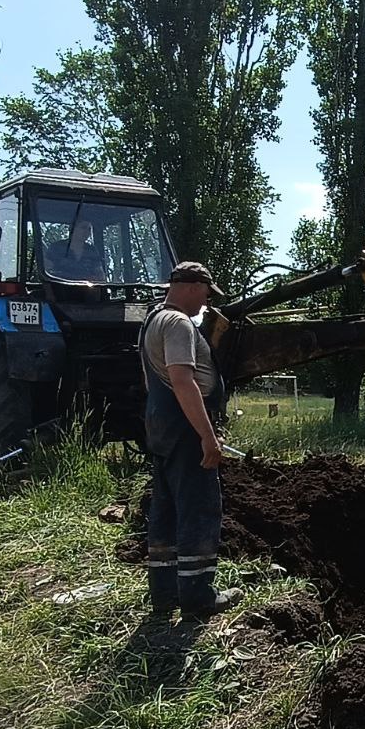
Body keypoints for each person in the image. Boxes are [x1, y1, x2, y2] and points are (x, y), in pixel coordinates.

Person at [139, 261, 241, 617]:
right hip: (185, 430)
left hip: (161, 427)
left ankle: (164, 594)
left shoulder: (153, 320)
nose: (206, 304)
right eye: (206, 294)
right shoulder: (179, 324)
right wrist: (207, 437)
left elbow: (155, 383)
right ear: (194, 286)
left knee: (165, 510)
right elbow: (183, 381)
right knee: (198, 506)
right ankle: (198, 597)